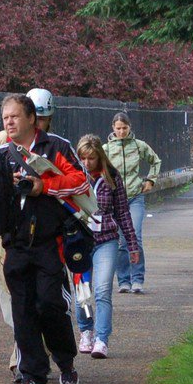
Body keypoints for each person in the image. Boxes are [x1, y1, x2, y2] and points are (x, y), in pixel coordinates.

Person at [0, 92, 88, 384]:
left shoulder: (56, 147)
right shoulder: (1, 152)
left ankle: (66, 361)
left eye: (15, 116)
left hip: (50, 242)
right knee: (22, 310)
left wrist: (43, 186)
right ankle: (32, 374)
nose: (9, 122)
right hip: (15, 243)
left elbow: (80, 181)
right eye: (5, 117)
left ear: (32, 119)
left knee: (49, 303)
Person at [73, 135, 140, 358]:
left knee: (102, 290)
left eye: (91, 158)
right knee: (83, 292)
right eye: (83, 158)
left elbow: (122, 213)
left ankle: (102, 339)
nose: (87, 162)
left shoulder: (111, 177)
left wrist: (132, 245)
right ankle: (85, 331)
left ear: (99, 156)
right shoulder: (73, 176)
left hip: (106, 240)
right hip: (80, 241)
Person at [106, 111, 160, 295]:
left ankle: (138, 279)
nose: (122, 132)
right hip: (116, 200)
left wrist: (150, 180)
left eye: (125, 128)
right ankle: (123, 281)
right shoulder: (106, 149)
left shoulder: (138, 146)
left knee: (135, 236)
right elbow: (97, 170)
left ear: (130, 128)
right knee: (121, 240)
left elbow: (155, 161)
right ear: (113, 128)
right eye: (118, 128)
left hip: (135, 196)